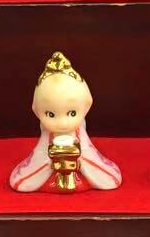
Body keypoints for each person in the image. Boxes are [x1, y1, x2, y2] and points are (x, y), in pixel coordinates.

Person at [9, 52, 121, 193]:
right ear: (36, 111)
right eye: (50, 114)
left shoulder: (81, 137)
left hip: (79, 173)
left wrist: (79, 161)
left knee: (108, 178)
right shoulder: (46, 139)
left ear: (87, 106)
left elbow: (109, 176)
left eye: (72, 113)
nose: (62, 123)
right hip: (49, 176)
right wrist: (51, 162)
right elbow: (24, 176)